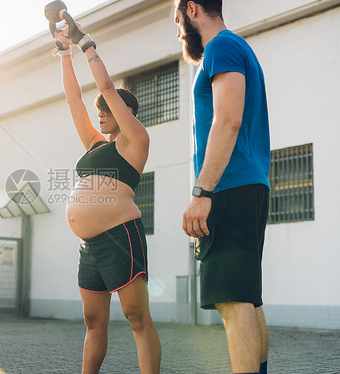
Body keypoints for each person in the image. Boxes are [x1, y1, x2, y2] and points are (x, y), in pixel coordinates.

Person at [51, 20, 161, 374]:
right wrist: (63, 50)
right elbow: (72, 99)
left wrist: (86, 45)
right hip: (89, 246)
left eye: (105, 107)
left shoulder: (135, 142)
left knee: (136, 318)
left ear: (126, 114)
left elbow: (107, 85)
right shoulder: (96, 144)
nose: (99, 111)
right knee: (93, 322)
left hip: (120, 237)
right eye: (97, 107)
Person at [174, 1, 271, 373]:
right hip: (244, 186)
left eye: (177, 20)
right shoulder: (234, 47)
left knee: (233, 303)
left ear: (193, 9)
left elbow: (228, 120)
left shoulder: (221, 46)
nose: (178, 31)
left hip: (229, 189)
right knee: (247, 299)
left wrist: (202, 192)